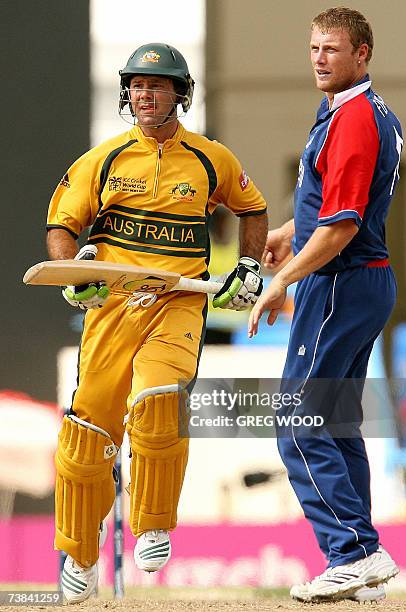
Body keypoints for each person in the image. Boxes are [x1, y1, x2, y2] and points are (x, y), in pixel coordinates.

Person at [47, 43, 267, 602]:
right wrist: (74, 272)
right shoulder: (105, 158)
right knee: (87, 432)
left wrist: (246, 265)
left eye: (156, 86)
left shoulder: (211, 159)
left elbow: (252, 209)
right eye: (137, 87)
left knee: (158, 399)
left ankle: (153, 521)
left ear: (180, 93)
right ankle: (77, 553)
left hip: (178, 302)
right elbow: (61, 224)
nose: (144, 96)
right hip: (112, 306)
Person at [249, 7, 401, 604]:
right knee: (336, 424)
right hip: (362, 279)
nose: (319, 58)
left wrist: (281, 277)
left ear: (362, 54)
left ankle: (351, 554)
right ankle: (365, 558)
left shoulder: (356, 118)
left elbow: (340, 227)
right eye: (314, 47)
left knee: (298, 422)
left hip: (340, 282)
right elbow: (331, 203)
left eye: (332, 49)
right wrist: (290, 229)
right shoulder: (354, 111)